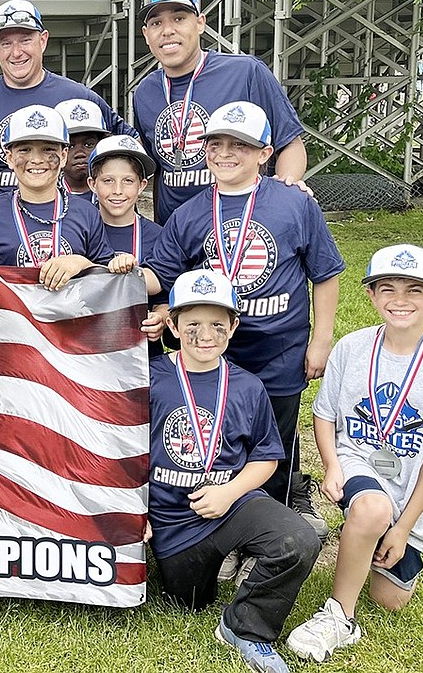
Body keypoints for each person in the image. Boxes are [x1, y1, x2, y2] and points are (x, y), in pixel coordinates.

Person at [119, 101, 345, 542]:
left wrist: (321, 340)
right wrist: (115, 273)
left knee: (273, 446)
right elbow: (160, 276)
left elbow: (326, 272)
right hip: (213, 349)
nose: (225, 154)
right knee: (217, 437)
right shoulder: (190, 213)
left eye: (239, 146)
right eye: (216, 144)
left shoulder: (293, 203)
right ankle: (218, 534)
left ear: (265, 152)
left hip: (278, 350)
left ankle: (266, 535)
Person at [286, 245, 423, 662]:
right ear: (371, 295)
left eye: (415, 290)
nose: (400, 300)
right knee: (371, 510)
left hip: (408, 487)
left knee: (389, 599)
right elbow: (323, 417)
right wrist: (333, 467)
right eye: (387, 288)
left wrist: (403, 528)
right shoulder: (353, 348)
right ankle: (340, 617)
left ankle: (368, 539)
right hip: (357, 462)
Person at [147, 269, 320, 673]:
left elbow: (266, 457)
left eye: (216, 325)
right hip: (172, 520)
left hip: (233, 505)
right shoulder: (149, 379)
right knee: (188, 601)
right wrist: (132, 513)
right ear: (171, 324)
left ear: (233, 326)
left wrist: (229, 492)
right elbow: (124, 452)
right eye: (192, 325)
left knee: (298, 539)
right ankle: (206, 570)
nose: (205, 335)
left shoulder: (247, 386)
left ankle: (245, 628)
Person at [133, 0, 306, 225]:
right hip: (176, 235)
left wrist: (283, 200)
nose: (167, 30)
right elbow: (160, 168)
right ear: (146, 34)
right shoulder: (145, 92)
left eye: (179, 18)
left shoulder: (245, 72)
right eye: (156, 23)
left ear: (200, 23)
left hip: (241, 225)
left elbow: (289, 142)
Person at [0, 0, 135, 200]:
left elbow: (130, 145)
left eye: (25, 40)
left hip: (62, 223)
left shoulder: (79, 97)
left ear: (43, 40)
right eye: (6, 43)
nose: (16, 52)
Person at [0, 105, 113, 290]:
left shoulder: (87, 213)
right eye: (25, 149)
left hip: (73, 317)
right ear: (9, 158)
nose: (36, 159)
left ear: (63, 156)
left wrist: (82, 263)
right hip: (10, 318)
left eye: (47, 149)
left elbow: (109, 280)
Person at [88, 134, 167, 356]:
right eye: (108, 181)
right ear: (92, 184)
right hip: (87, 353)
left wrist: (160, 317)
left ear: (142, 185)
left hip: (141, 354)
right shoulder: (79, 231)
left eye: (128, 181)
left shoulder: (158, 236)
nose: (118, 190)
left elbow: (163, 300)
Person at [55, 98, 110, 204]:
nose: (79, 153)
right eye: (70, 146)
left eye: (88, 145)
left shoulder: (117, 193)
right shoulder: (45, 196)